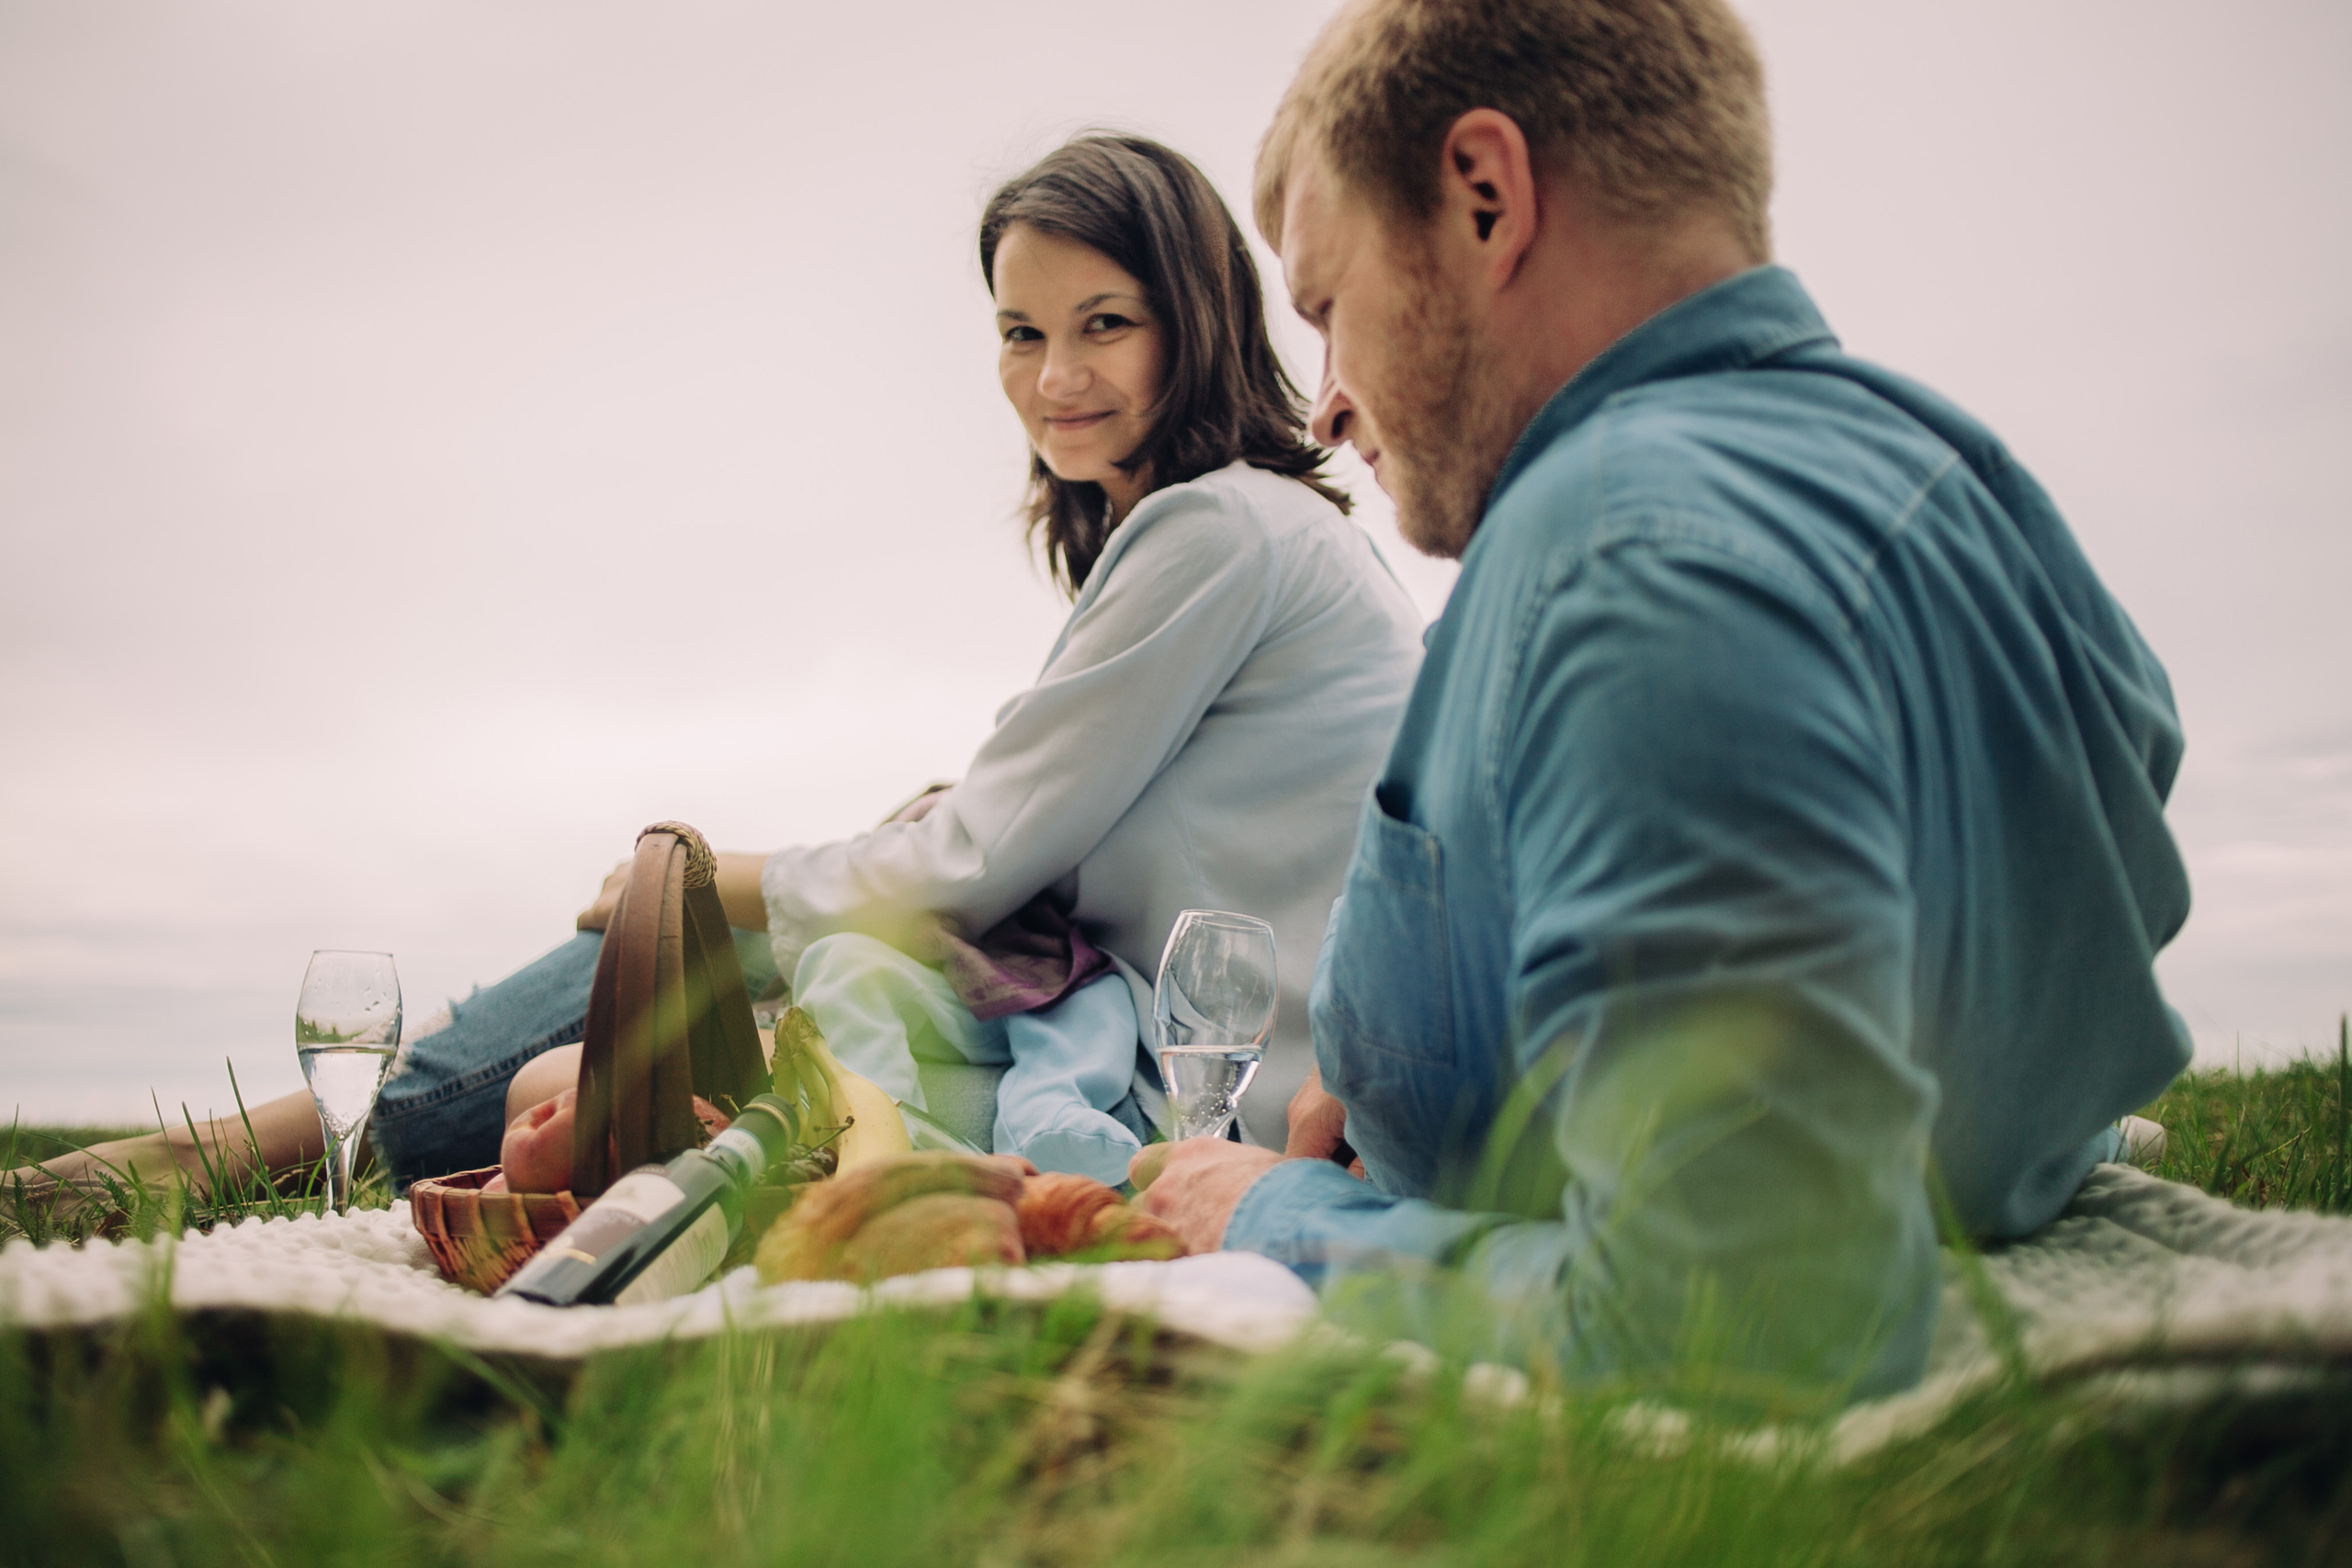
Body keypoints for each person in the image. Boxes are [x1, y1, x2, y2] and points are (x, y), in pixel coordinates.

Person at [21, 134, 1425, 1201]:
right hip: (1154, 1050)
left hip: (1213, 1098)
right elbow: (1017, 838)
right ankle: (277, 1140)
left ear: (1194, 318)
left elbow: (972, 863)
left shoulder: (1214, 530)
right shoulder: (1251, 531)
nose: (1055, 377)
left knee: (690, 923)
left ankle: (245, 1152)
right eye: (1021, 332)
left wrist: (698, 868)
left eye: (1103, 324)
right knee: (699, 958)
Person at [1137, 0, 2193, 1401]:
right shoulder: (1961, 480)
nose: (1326, 402)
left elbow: (1735, 1313)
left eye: (1329, 306)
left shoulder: (1624, 564)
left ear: (1485, 196)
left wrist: (1273, 1219)